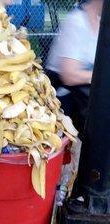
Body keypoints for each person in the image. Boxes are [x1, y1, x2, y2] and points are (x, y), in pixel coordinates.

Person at [46, 0, 103, 137]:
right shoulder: (77, 21)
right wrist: (100, 75)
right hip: (62, 99)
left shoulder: (101, 22)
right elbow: (69, 76)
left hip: (84, 97)